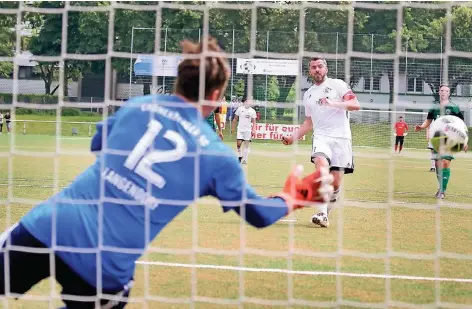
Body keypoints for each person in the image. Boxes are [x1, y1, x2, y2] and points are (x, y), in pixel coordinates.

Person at [0, 37, 334, 309]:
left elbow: (98, 145)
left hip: (48, 226)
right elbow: (258, 214)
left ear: (178, 81)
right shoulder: (216, 155)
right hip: (105, 266)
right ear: (216, 96)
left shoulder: (137, 106)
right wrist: (292, 197)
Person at [281, 57, 360, 228]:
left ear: (326, 68)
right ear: (310, 71)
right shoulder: (308, 94)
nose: (317, 69)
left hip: (342, 138)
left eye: (320, 66)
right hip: (321, 137)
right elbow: (309, 122)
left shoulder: (338, 85)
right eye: (313, 67)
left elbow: (355, 105)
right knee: (322, 169)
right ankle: (322, 213)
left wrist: (333, 103)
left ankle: (326, 209)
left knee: (336, 182)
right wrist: (292, 137)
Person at [415, 85, 467, 199]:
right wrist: (421, 127)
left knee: (445, 163)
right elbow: (428, 121)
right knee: (438, 165)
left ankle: (442, 191)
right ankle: (440, 187)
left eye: (446, 91)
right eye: (442, 90)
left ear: (449, 93)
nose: (444, 92)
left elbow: (461, 124)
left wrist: (464, 141)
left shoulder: (454, 108)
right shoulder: (434, 108)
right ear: (439, 92)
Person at [232, 98, 257, 164]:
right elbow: (235, 119)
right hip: (240, 129)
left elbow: (254, 121)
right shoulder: (240, 109)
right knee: (238, 144)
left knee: (246, 145)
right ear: (244, 102)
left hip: (248, 130)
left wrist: (254, 130)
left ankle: (245, 159)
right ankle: (240, 156)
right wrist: (233, 128)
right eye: (247, 101)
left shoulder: (252, 111)